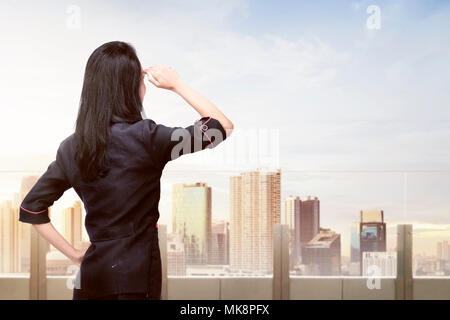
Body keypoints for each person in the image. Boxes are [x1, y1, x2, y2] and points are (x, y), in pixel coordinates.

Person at [18, 41, 233, 300]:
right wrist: (177, 84)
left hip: (90, 276)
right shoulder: (148, 138)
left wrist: (75, 255)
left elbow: (31, 208)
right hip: (136, 276)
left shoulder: (72, 147)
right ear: (132, 89)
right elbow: (221, 127)